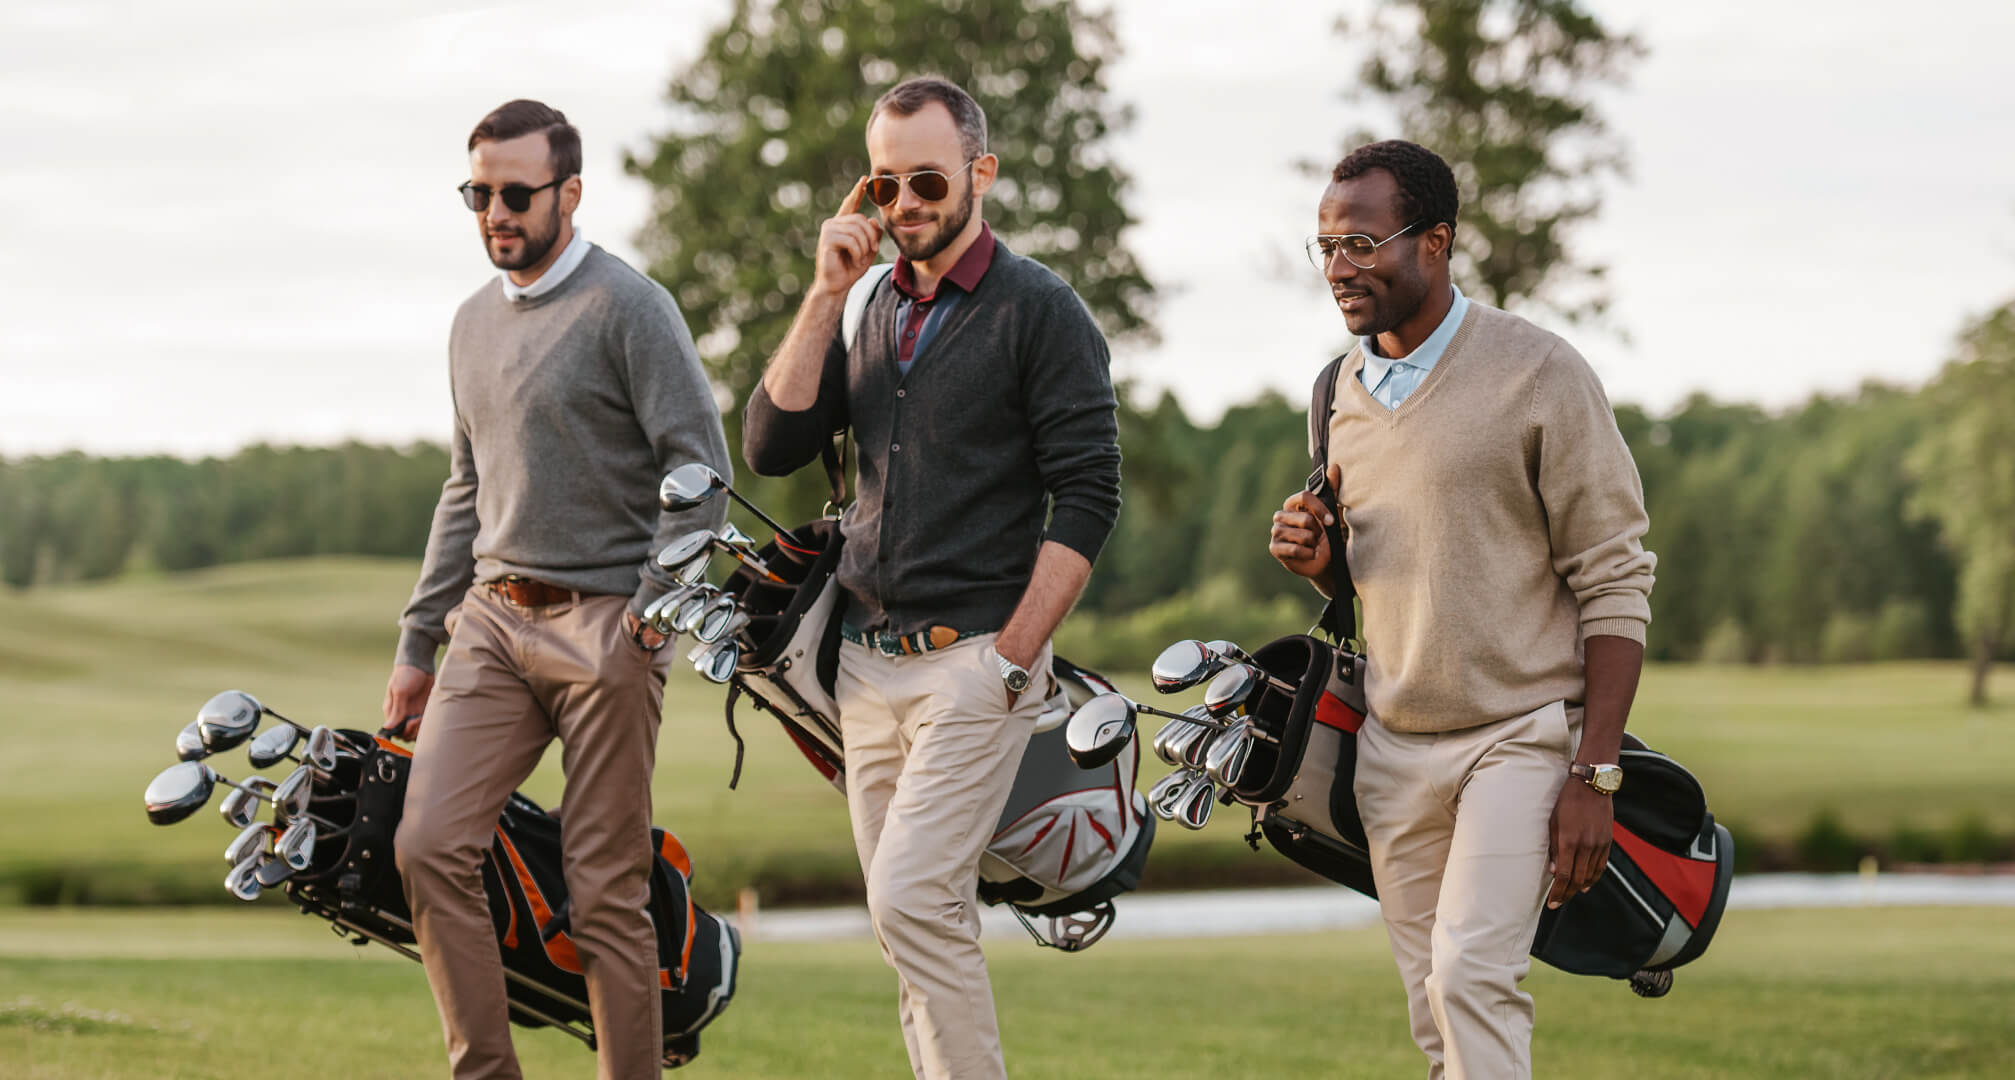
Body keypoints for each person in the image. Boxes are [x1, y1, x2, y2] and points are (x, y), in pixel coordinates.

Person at [742, 75, 1122, 1080]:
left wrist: (1014, 657)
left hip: (974, 667)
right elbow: (772, 443)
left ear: (978, 175)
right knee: (917, 922)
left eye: (925, 180)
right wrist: (825, 290)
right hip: (865, 672)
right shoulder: (864, 305)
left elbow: (1087, 494)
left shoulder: (1040, 310)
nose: (904, 204)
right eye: (883, 186)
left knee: (907, 900)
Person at [1269, 139, 1656, 1080]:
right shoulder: (1335, 395)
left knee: (1473, 978)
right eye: (1325, 247)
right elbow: (1381, 592)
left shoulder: (1539, 373)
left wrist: (1593, 775)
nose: (1338, 270)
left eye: (1361, 244)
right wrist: (1326, 567)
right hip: (1393, 750)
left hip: (1519, 739)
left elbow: (1615, 579)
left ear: (1434, 242)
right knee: (1438, 1018)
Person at [382, 98, 731, 1080]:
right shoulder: (470, 325)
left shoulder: (630, 307)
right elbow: (465, 487)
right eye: (478, 194)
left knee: (605, 890)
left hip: (605, 629)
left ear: (568, 193)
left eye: (515, 194)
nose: (495, 212)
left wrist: (654, 607)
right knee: (428, 844)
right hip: (490, 624)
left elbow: (699, 469)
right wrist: (417, 646)